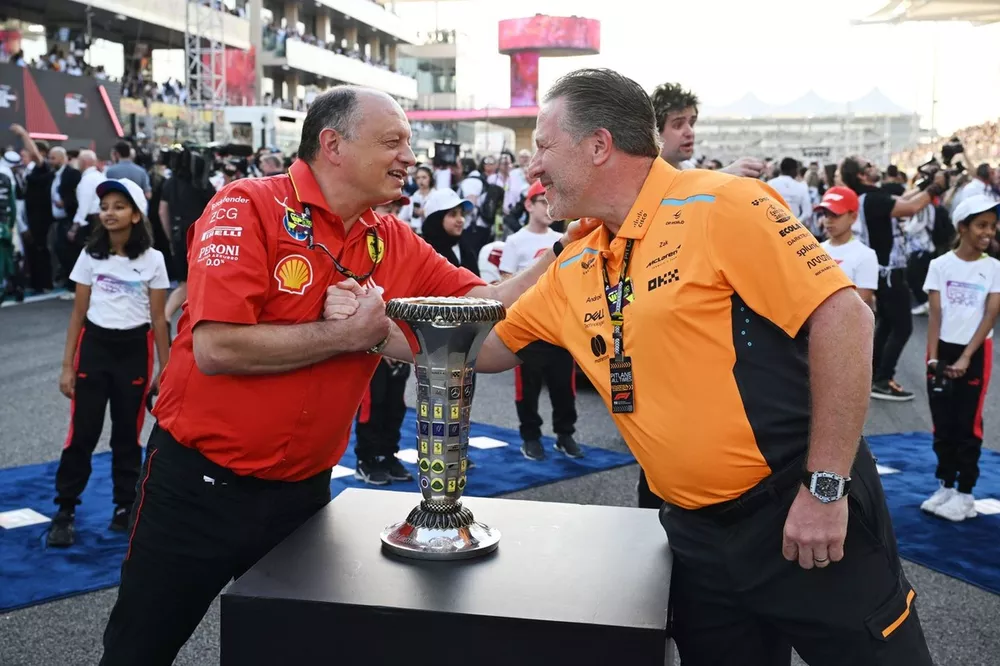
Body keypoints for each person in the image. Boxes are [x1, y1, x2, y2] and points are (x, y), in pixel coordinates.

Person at [369, 68, 931, 665]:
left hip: (801, 514)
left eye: (542, 146)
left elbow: (846, 321)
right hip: (692, 540)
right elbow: (482, 349)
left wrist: (824, 489)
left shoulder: (723, 205)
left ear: (598, 145)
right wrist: (370, 331)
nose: (531, 168)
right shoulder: (575, 261)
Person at [99, 85, 593, 665]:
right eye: (393, 142)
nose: (410, 158)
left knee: (294, 653)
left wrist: (566, 250)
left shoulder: (389, 237)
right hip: (198, 490)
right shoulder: (246, 205)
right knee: (138, 650)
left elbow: (481, 311)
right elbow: (217, 347)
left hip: (304, 498)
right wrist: (349, 335)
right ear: (332, 145)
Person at [46, 178, 171, 548]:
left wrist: (166, 370)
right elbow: (77, 314)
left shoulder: (153, 259)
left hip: (134, 349)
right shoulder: (90, 255)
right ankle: (65, 509)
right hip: (95, 347)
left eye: (119, 206)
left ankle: (124, 507)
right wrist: (67, 365)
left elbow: (159, 318)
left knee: (125, 437)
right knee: (81, 434)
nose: (109, 213)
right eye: (105, 207)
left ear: (135, 214)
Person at [921, 194, 1000, 522]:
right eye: (981, 225)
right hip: (942, 349)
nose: (988, 233)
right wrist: (933, 359)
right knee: (943, 422)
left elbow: (990, 314)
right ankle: (946, 486)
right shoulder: (939, 265)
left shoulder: (994, 267)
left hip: (975, 351)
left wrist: (967, 357)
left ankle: (966, 493)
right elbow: (935, 314)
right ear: (962, 227)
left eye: (992, 227)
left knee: (969, 423)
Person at [840, 156, 943, 401]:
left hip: (884, 270)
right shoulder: (873, 199)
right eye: (869, 165)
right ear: (861, 176)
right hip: (888, 272)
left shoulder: (870, 196)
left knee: (886, 324)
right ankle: (883, 380)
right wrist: (935, 187)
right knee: (902, 327)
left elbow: (903, 200)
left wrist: (924, 185)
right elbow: (910, 208)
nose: (875, 166)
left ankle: (874, 375)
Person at [499, 180, 581, 460]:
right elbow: (504, 281)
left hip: (558, 326)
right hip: (526, 326)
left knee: (563, 385)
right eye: (541, 201)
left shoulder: (559, 239)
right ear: (528, 205)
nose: (548, 207)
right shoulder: (515, 241)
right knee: (528, 387)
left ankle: (565, 434)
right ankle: (530, 437)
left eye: (551, 200)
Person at [817, 186, 878, 309]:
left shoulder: (866, 255)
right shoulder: (815, 250)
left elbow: (860, 305)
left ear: (853, 217)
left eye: (835, 214)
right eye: (825, 214)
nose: (828, 220)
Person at [420, 188, 481, 276]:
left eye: (462, 214)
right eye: (453, 214)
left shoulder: (465, 248)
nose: (460, 220)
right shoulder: (426, 253)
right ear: (437, 219)